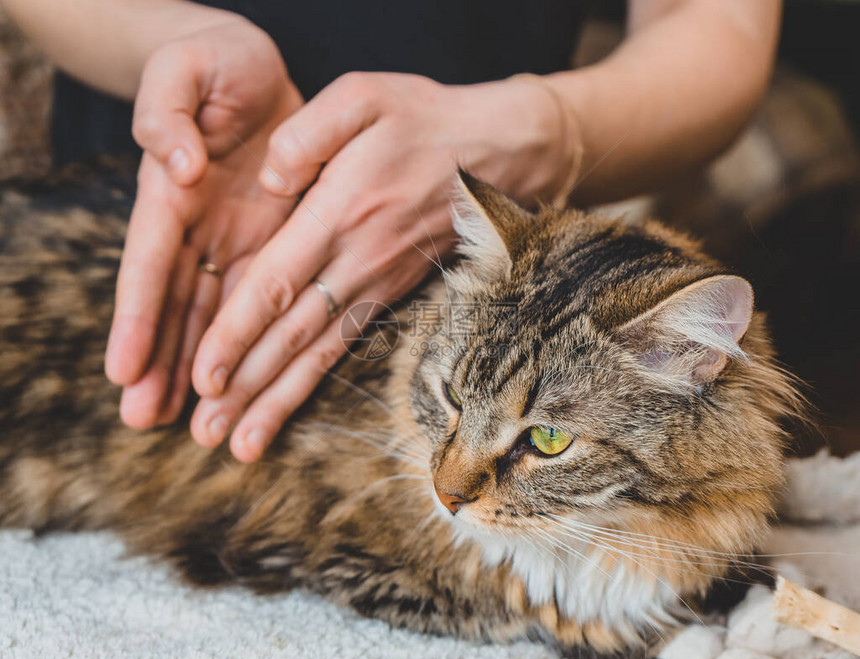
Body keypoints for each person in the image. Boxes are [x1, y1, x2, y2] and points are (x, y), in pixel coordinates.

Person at [4, 0, 781, 462]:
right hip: (151, 240)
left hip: (470, 266)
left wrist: (540, 131)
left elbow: (718, 30)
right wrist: (171, 40)